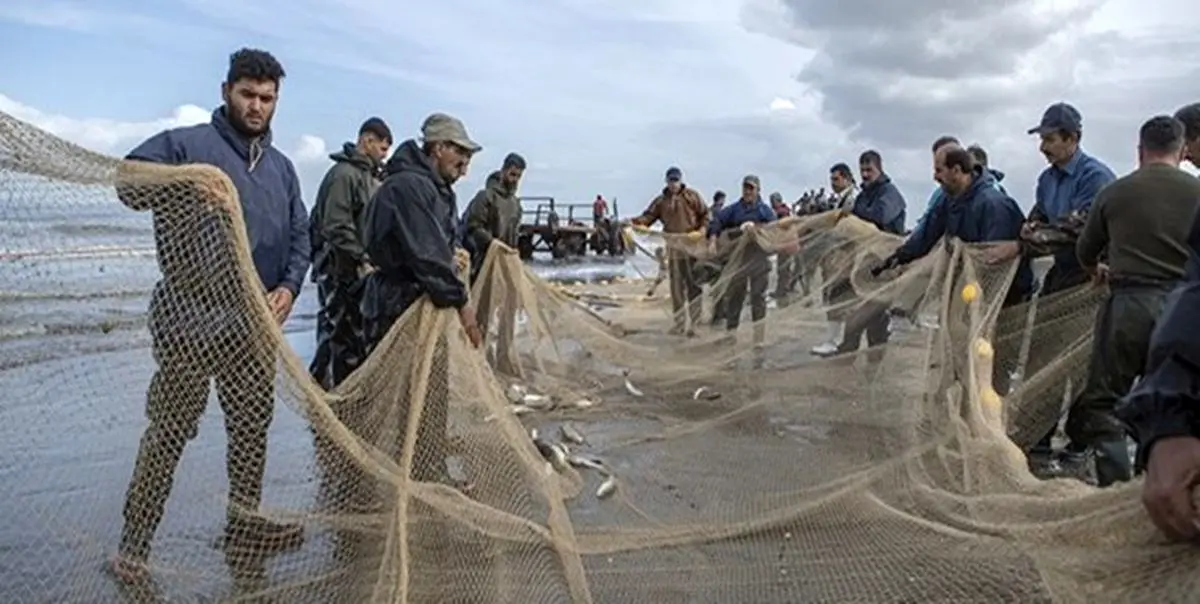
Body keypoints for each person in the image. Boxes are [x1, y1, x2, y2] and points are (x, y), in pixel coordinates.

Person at [110, 48, 310, 583]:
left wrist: (289, 287)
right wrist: (177, 181)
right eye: (248, 94)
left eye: (267, 98)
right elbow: (127, 181)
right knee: (170, 431)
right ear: (227, 91)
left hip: (253, 325)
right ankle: (134, 544)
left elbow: (300, 238)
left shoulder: (283, 169)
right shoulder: (186, 145)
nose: (257, 106)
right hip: (190, 319)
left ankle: (243, 524)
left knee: (251, 429)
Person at [1063, 115, 1200, 487]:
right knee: (1172, 403)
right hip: (1185, 312)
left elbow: (1085, 250)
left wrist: (1096, 269)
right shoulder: (1196, 192)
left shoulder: (1115, 192)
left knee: (1105, 402)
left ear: (1140, 151)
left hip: (1128, 306)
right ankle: (1156, 483)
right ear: (1182, 151)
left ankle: (1116, 487)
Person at [986, 102, 1117, 463]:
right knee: (1044, 355)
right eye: (1041, 139)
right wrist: (1027, 228)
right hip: (1061, 275)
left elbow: (1080, 230)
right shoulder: (1047, 180)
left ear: (1072, 139)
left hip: (1094, 278)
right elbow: (1040, 217)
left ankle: (1080, 441)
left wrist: (1023, 243)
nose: (1043, 147)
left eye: (1049, 139)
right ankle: (1039, 433)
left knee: (1084, 364)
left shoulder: (1096, 178)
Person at [359, 112, 484, 485]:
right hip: (400, 303)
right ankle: (417, 473)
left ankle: (426, 467)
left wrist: (454, 253)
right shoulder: (410, 188)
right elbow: (427, 258)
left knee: (431, 392)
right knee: (413, 394)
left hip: (421, 301)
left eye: (469, 158)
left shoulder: (434, 188)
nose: (464, 166)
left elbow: (440, 245)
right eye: (459, 155)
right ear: (437, 148)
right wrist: (465, 308)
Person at [873, 146, 1032, 303]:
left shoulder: (992, 204)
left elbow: (994, 260)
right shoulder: (948, 199)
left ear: (956, 170)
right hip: (976, 286)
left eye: (939, 170)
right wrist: (899, 256)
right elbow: (927, 233)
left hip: (1008, 292)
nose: (935, 177)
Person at [308, 117, 393, 391]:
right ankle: (337, 394)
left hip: (356, 267)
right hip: (338, 267)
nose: (383, 157)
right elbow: (336, 226)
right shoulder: (344, 175)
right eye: (382, 149)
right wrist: (362, 257)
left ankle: (323, 384)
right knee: (340, 330)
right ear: (366, 141)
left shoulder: (368, 178)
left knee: (347, 328)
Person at [814, 151, 905, 361]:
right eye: (862, 170)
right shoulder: (864, 194)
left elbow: (880, 217)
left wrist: (855, 217)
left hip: (884, 266)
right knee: (854, 314)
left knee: (875, 318)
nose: (865, 174)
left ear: (879, 169)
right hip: (863, 263)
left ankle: (874, 363)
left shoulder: (889, 193)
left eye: (869, 170)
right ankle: (847, 357)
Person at [464, 152, 526, 374]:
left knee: (509, 310)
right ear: (503, 170)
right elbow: (472, 226)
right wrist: (492, 244)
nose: (514, 179)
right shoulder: (485, 197)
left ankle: (503, 355)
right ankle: (477, 356)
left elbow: (515, 233)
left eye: (518, 176)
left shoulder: (516, 204)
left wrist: (513, 251)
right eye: (512, 174)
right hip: (485, 264)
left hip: (507, 264)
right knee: (482, 310)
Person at [630, 166, 709, 336]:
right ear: (666, 182)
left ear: (681, 181)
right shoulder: (661, 201)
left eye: (676, 180)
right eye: (670, 181)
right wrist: (637, 223)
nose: (673, 184)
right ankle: (679, 324)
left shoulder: (692, 196)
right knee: (676, 289)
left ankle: (695, 324)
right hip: (673, 251)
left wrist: (701, 231)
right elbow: (648, 216)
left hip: (692, 249)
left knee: (694, 287)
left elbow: (706, 215)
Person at [708, 175, 778, 346]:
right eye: (745, 187)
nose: (748, 191)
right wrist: (712, 239)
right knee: (735, 298)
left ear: (758, 190)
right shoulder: (734, 209)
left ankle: (758, 337)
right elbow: (717, 221)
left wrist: (757, 230)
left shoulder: (765, 211)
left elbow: (776, 230)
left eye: (751, 188)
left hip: (759, 260)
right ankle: (731, 334)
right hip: (738, 260)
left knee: (758, 298)